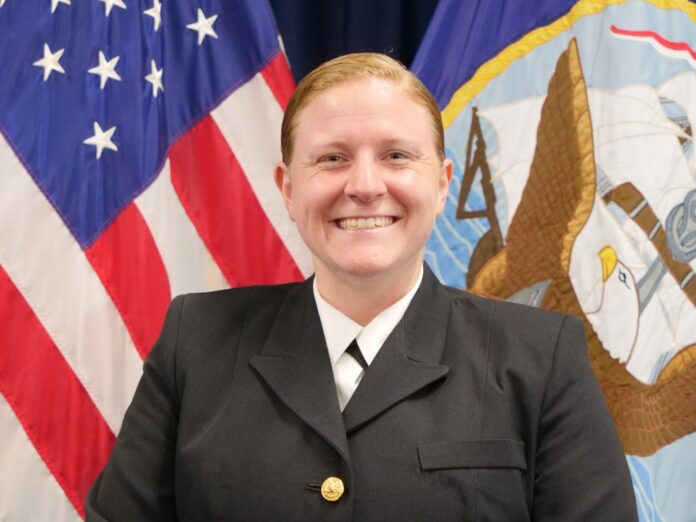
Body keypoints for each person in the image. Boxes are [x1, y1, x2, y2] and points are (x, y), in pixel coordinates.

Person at [85, 53, 638, 521]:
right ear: (288, 186)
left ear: (443, 184)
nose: (366, 186)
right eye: (332, 158)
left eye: (397, 155)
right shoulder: (196, 343)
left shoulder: (540, 359)